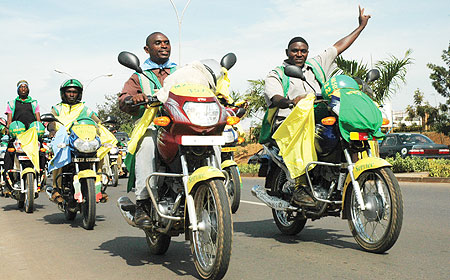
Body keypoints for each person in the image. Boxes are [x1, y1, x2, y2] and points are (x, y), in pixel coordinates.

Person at [263, 6, 371, 206]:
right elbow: (275, 96)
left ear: (307, 52)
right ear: (287, 52)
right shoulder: (277, 73)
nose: (299, 54)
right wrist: (290, 101)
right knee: (305, 139)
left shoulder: (316, 65)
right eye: (295, 50)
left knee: (345, 130)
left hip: (316, 117)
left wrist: (361, 27)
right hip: (288, 122)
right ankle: (300, 186)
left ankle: (345, 174)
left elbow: (338, 46)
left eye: (303, 51)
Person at [119, 32, 176, 227]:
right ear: (147, 49)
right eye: (158, 43)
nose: (163, 46)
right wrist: (133, 99)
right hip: (152, 127)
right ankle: (143, 203)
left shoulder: (181, 72)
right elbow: (123, 99)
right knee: (146, 146)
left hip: (181, 126)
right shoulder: (139, 76)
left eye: (166, 43)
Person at [47, 79, 104, 203]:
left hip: (81, 140)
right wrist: (52, 130)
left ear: (79, 94)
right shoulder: (57, 108)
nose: (72, 94)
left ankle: (100, 181)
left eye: (74, 92)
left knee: (102, 149)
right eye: (69, 92)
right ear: (63, 93)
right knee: (59, 154)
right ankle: (56, 188)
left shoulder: (84, 108)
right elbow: (51, 121)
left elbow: (97, 121)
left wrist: (105, 127)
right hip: (64, 139)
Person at [3, 80, 41, 193]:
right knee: (9, 153)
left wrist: (40, 129)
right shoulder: (12, 103)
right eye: (21, 87)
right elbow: (9, 120)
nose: (23, 89)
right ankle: (7, 182)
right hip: (17, 135)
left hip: (31, 135)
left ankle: (41, 175)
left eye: (25, 87)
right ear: (18, 89)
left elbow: (38, 119)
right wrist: (8, 129)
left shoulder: (34, 103)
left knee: (42, 152)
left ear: (28, 89)